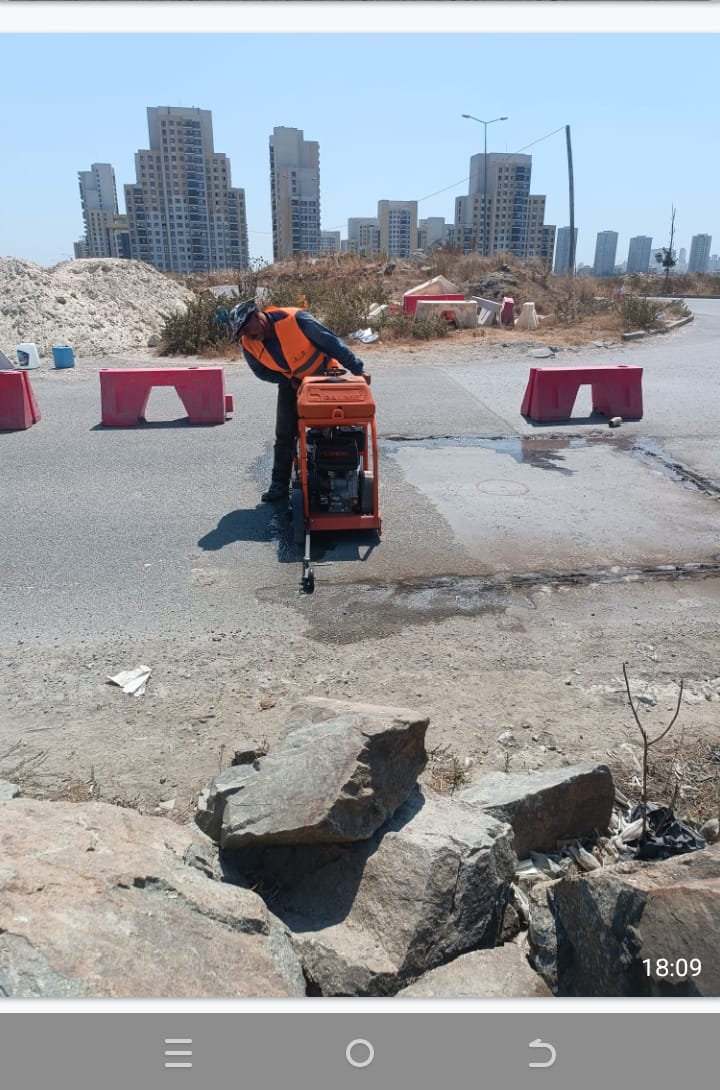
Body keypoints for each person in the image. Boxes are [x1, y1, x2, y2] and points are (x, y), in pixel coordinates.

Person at [229, 299, 367, 502]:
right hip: (292, 383)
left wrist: (358, 369)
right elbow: (260, 372)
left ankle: (339, 473)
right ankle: (279, 485)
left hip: (324, 376)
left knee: (334, 422)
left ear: (257, 316)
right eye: (241, 332)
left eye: (246, 328)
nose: (247, 334)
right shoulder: (249, 344)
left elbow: (331, 343)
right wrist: (288, 380)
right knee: (284, 434)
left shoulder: (295, 319)